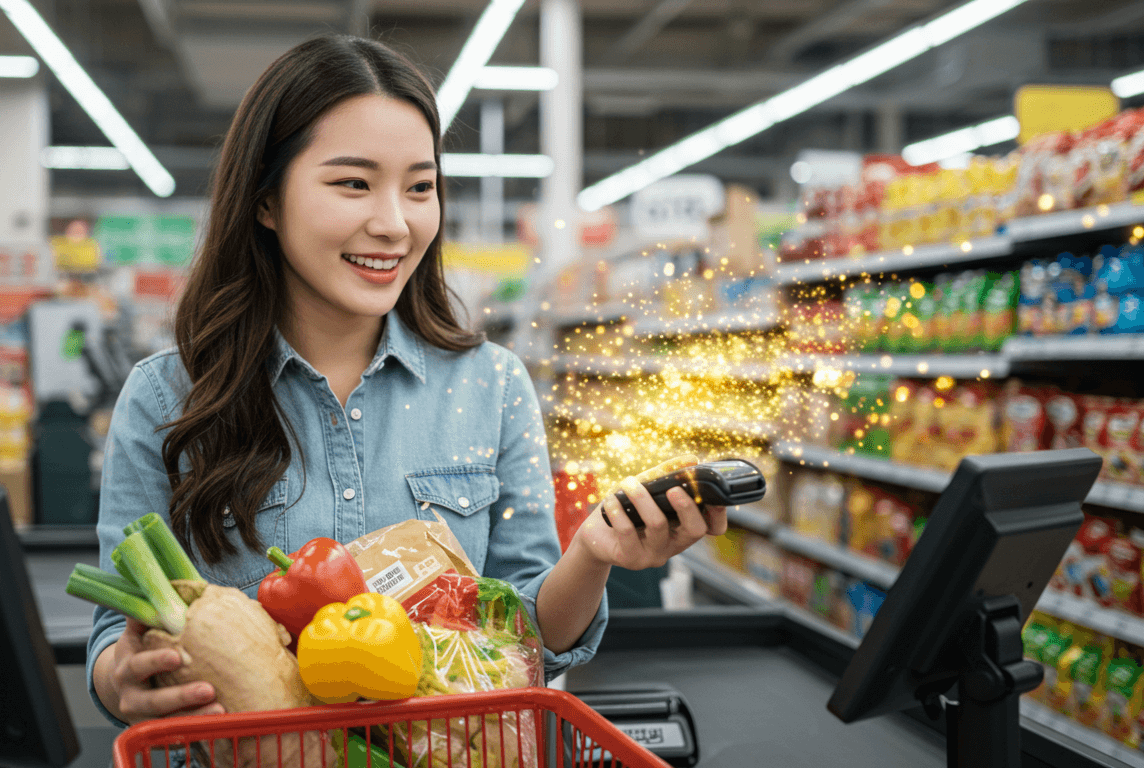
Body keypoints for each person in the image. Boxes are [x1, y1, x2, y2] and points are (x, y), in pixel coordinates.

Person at [85, 34, 728, 727]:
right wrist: (121, 679)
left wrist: (593, 556)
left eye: (420, 187)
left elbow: (530, 642)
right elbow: (111, 641)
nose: (394, 224)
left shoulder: (493, 387)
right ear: (265, 201)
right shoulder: (166, 399)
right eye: (353, 183)